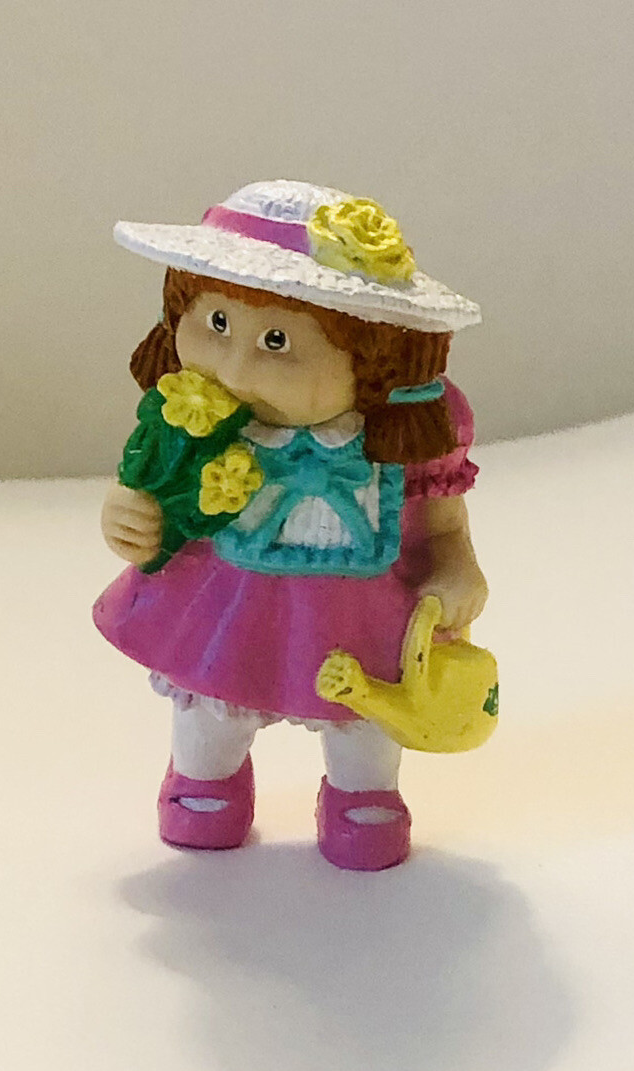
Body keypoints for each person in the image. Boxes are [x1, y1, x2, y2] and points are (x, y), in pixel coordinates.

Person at [93, 180, 486, 870]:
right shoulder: (192, 423)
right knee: (209, 701)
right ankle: (205, 781)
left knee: (362, 713)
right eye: (216, 325)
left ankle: (362, 795)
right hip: (226, 606)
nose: (236, 368)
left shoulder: (403, 441)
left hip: (359, 616)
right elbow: (153, 496)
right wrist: (132, 517)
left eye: (276, 341)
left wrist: (458, 572)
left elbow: (445, 526)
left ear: (371, 362)